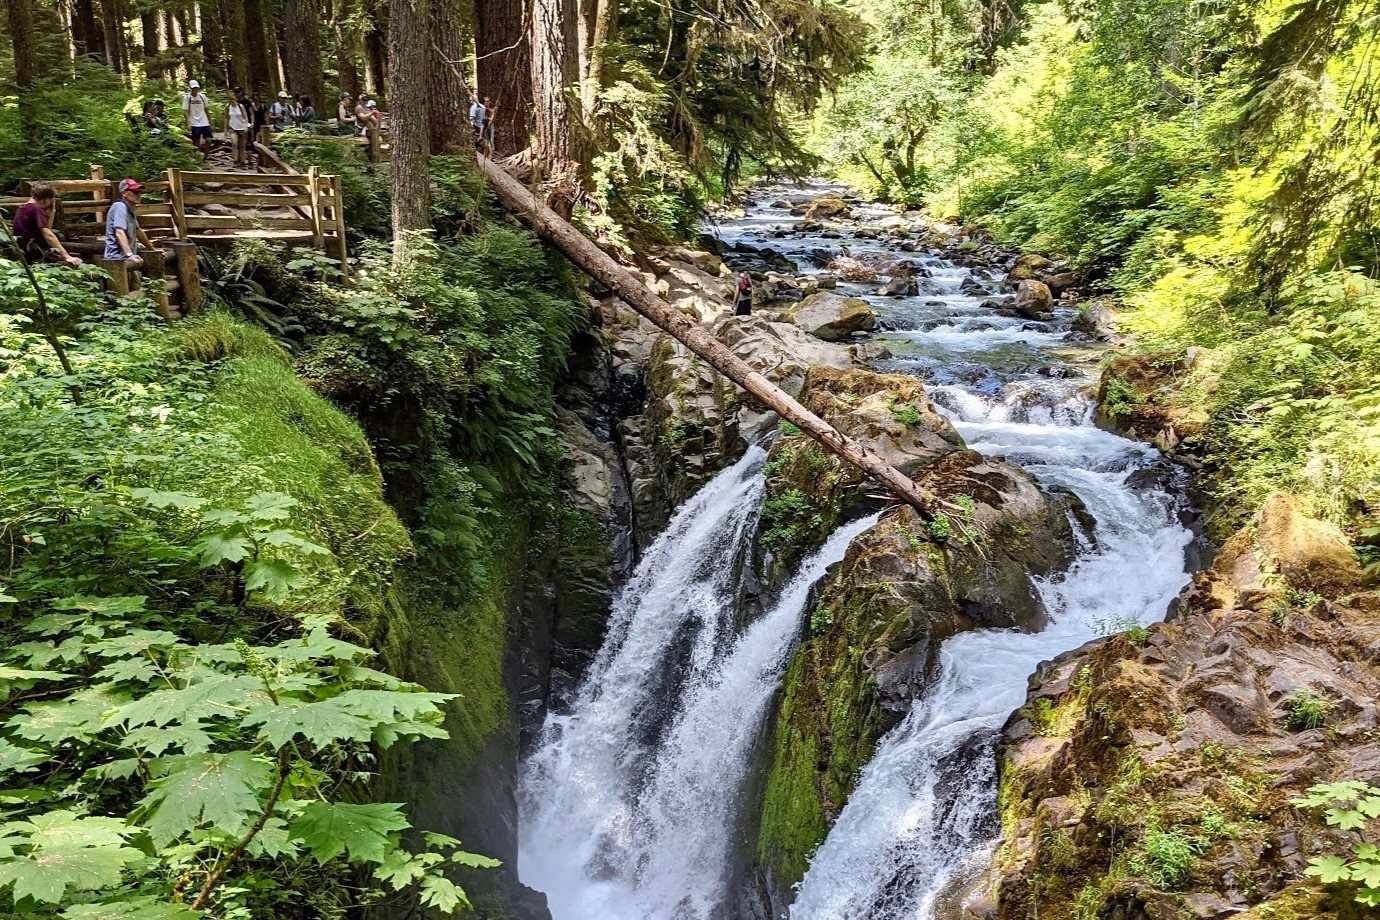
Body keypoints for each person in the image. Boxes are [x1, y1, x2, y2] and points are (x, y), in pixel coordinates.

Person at [12, 183, 81, 267]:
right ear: (46, 199)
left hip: (24, 250)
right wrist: (67, 256)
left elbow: (47, 228)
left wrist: (52, 212)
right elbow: (48, 235)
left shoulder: (22, 208)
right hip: (35, 251)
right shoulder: (35, 209)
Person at [104, 179, 146, 269]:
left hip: (125, 259)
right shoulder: (120, 207)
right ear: (124, 193)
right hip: (116, 259)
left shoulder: (130, 210)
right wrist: (129, 254)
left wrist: (153, 250)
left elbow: (138, 232)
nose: (138, 194)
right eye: (134, 192)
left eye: (139, 192)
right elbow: (119, 232)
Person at [181, 78, 213, 151]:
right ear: (190, 88)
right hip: (194, 123)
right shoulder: (187, 98)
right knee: (196, 142)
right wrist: (188, 123)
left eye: (196, 88)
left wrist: (210, 122)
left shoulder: (202, 97)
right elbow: (185, 111)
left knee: (208, 140)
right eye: (193, 88)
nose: (195, 90)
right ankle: (198, 158)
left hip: (204, 121)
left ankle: (205, 156)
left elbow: (207, 110)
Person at [226, 88, 252, 167]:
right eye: (230, 99)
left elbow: (245, 117)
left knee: (242, 146)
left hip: (242, 128)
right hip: (232, 128)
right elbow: (226, 117)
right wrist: (225, 130)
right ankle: (235, 160)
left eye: (233, 99)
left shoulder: (241, 106)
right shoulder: (228, 107)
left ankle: (243, 161)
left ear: (236, 99)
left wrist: (246, 126)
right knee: (234, 144)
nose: (231, 101)